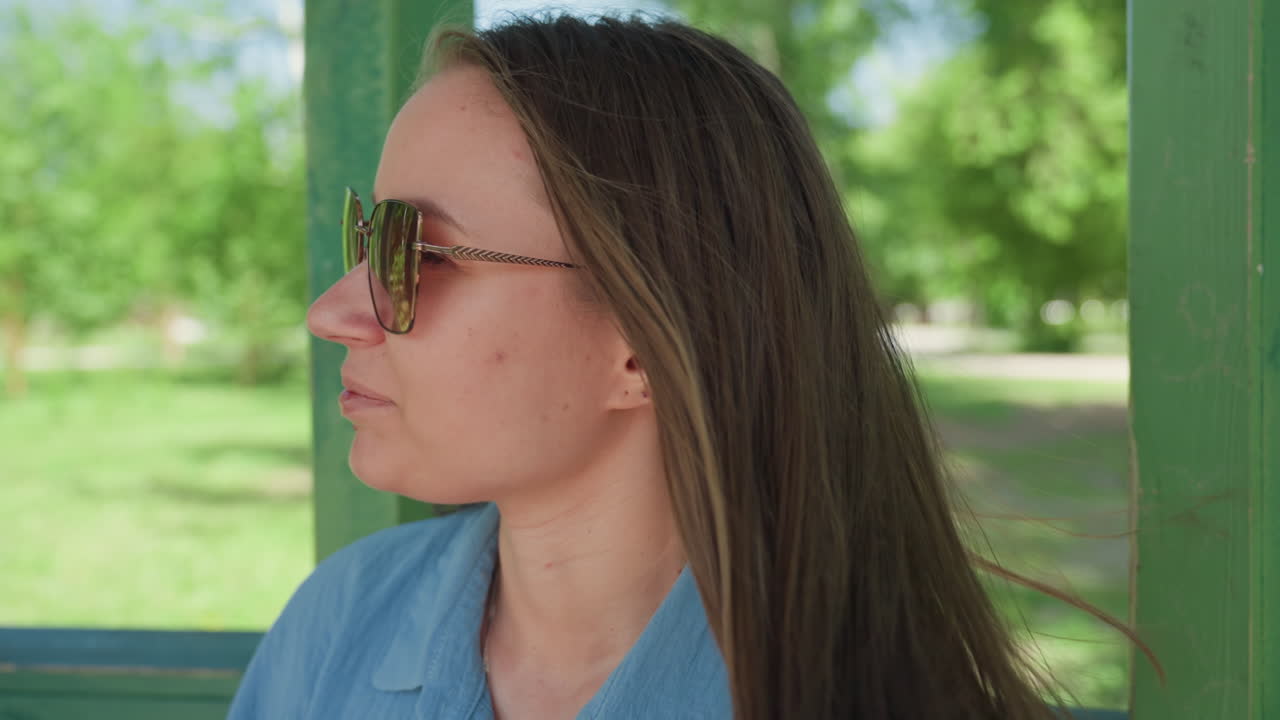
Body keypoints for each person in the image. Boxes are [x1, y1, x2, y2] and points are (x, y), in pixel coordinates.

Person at [227, 13, 1155, 720]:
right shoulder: (340, 625)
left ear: (643, 341)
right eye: (366, 237)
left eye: (413, 253)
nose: (332, 311)